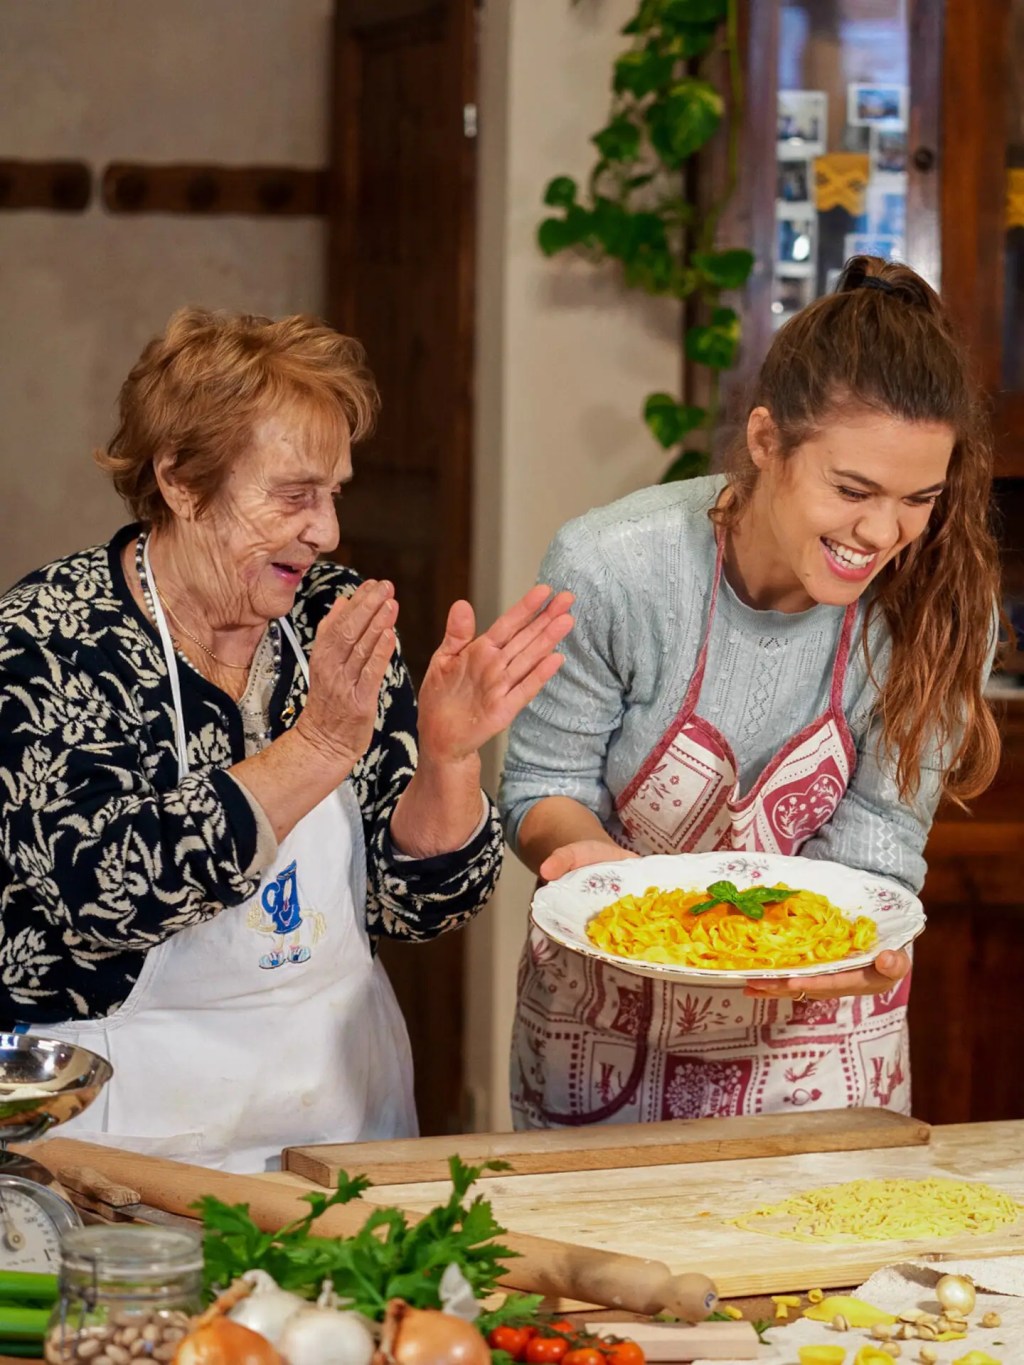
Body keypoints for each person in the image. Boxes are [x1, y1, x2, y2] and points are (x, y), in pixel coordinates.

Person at [0, 307, 573, 1170]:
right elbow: (101, 894)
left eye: (334, 491)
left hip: (340, 1121)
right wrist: (316, 746)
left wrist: (449, 756)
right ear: (183, 483)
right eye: (295, 494)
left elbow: (418, 904)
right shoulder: (46, 640)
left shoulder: (326, 614)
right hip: (127, 1148)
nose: (327, 530)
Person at [500, 256, 1001, 1128]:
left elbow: (881, 841)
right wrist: (594, 864)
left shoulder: (943, 608)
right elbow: (543, 785)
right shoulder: (615, 567)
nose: (882, 533)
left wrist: (836, 951)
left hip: (824, 1049)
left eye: (919, 498)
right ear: (767, 442)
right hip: (607, 1033)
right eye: (852, 489)